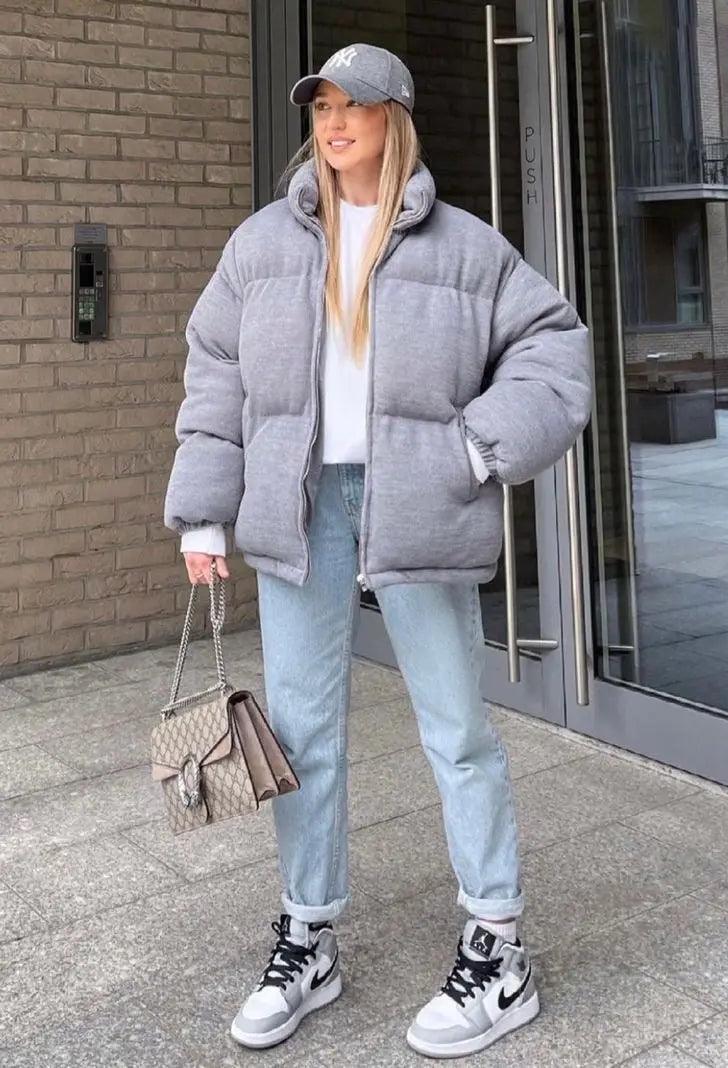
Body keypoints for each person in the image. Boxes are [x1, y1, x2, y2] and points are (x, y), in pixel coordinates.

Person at [163, 42, 591, 1059]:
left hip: (419, 504)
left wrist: (472, 450)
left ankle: (498, 947)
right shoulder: (261, 243)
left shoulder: (465, 247)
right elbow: (216, 373)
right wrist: (204, 513)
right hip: (299, 508)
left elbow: (553, 346)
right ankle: (307, 936)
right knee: (301, 734)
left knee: (456, 732)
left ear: (393, 117)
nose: (333, 121)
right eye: (320, 104)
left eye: (353, 105)